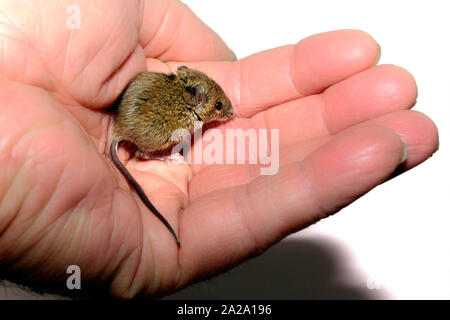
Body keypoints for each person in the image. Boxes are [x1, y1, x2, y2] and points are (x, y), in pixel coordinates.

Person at [0, 0, 438, 298]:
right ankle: (149, 150)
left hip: (131, 119)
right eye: (218, 107)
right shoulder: (185, 115)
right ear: (195, 101)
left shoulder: (183, 86)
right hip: (141, 130)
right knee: (172, 138)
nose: (223, 112)